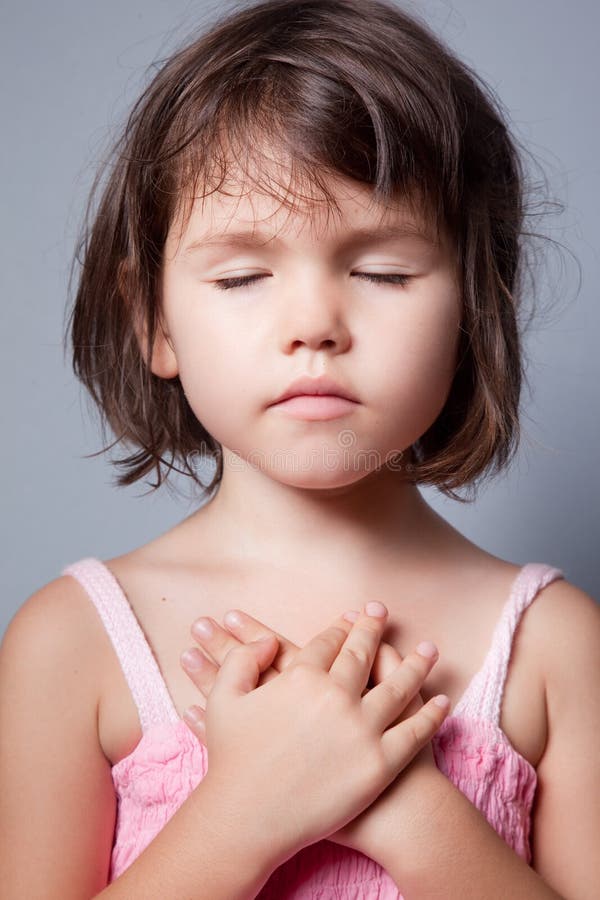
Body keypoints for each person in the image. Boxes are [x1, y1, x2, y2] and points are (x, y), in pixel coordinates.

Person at [1, 0, 598, 896]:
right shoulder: (72, 642)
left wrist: (404, 805)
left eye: (383, 272)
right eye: (244, 275)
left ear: (475, 311)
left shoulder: (556, 647)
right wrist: (252, 805)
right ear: (152, 322)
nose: (314, 324)